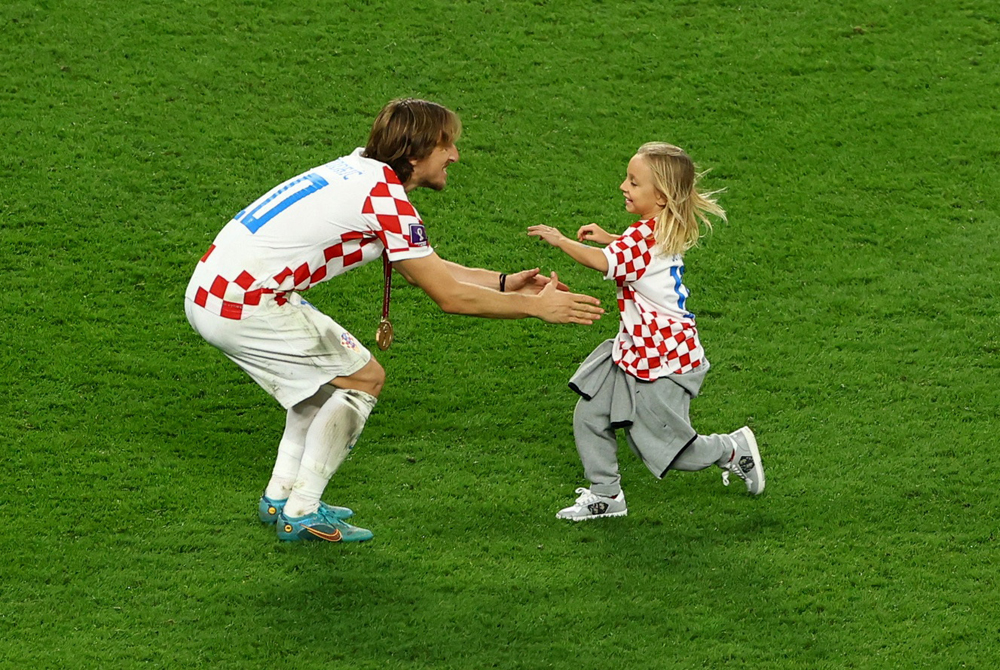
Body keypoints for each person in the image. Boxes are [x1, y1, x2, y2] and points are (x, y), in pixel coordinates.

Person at [184, 98, 604, 542]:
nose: (456, 156)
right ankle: (302, 511)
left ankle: (281, 497)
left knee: (324, 385)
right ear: (415, 154)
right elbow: (447, 295)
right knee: (364, 379)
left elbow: (426, 266)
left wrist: (504, 284)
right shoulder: (384, 198)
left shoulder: (361, 170)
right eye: (447, 147)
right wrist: (535, 308)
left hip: (214, 291)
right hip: (246, 303)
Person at [527, 142, 764, 522]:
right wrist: (610, 237)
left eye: (634, 182)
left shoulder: (646, 238)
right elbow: (631, 254)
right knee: (589, 414)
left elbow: (608, 263)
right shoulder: (655, 229)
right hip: (639, 351)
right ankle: (605, 494)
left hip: (665, 360)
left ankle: (730, 449)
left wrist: (562, 241)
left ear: (661, 195)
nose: (624, 185)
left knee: (667, 449)